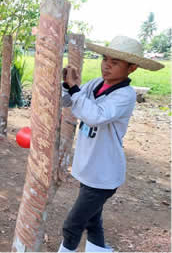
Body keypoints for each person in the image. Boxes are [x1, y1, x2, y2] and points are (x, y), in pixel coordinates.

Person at [58, 36, 165, 252]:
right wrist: (67, 85)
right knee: (92, 221)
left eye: (115, 62)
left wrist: (76, 90)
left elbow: (95, 115)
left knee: (72, 225)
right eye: (105, 59)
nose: (107, 65)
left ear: (132, 68)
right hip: (90, 168)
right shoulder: (96, 84)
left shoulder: (125, 95)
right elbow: (68, 101)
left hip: (103, 173)